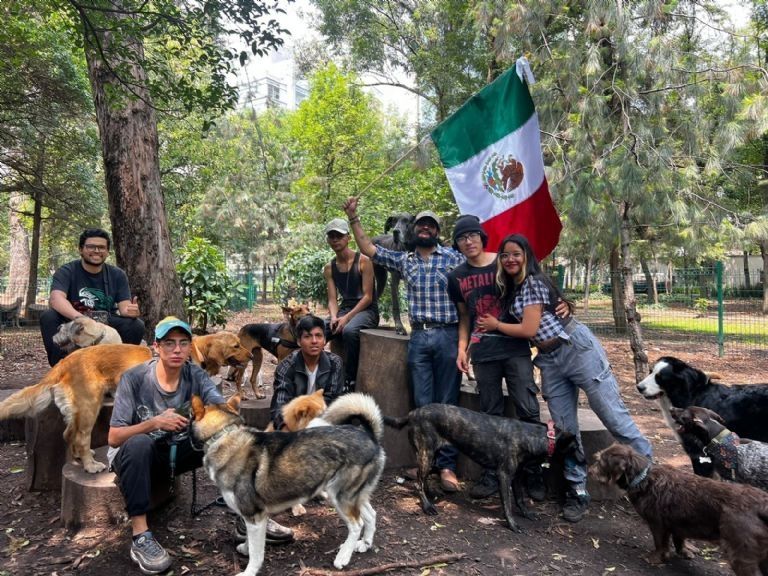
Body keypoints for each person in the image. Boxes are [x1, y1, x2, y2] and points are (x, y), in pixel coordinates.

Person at [478, 234, 653, 523]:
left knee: (612, 416)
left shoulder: (533, 282)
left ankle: (649, 476)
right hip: (549, 360)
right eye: (505, 255)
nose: (510, 259)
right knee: (564, 430)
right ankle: (577, 490)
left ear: (527, 256)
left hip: (576, 349)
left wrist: (496, 324)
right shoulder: (513, 289)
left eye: (516, 254)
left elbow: (528, 328)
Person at [108, 317, 293, 574]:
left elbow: (218, 408)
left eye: (183, 343)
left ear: (189, 347)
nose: (176, 349)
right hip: (138, 456)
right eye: (169, 343)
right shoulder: (134, 378)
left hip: (178, 450)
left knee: (224, 434)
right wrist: (155, 423)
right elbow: (114, 437)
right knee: (138, 444)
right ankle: (140, 535)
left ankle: (247, 515)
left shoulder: (194, 373)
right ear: (156, 347)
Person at [343, 197, 464, 492]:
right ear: (414, 231)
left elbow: (484, 266)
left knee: (448, 403)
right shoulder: (404, 260)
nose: (425, 228)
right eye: (421, 224)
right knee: (422, 404)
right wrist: (353, 218)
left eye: (430, 224)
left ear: (438, 231)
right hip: (419, 338)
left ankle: (447, 467)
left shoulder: (453, 258)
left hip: (448, 335)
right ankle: (425, 462)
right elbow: (368, 249)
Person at [447, 215, 545, 501]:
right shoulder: (456, 277)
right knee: (490, 414)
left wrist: (559, 302)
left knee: (528, 409)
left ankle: (533, 472)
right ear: (457, 244)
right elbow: (464, 316)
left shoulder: (503, 261)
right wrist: (462, 349)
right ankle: (493, 473)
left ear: (482, 237)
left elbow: (534, 284)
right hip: (484, 352)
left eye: (472, 235)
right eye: (462, 238)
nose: (468, 241)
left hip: (515, 348)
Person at [40, 228, 144, 366]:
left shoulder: (117, 274)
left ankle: (118, 367)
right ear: (80, 249)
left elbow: (124, 308)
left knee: (135, 325)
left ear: (107, 251)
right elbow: (56, 299)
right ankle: (61, 367)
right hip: (74, 321)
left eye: (101, 247)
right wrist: (81, 319)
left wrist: (131, 312)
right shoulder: (67, 271)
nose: (96, 250)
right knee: (49, 316)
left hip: (104, 321)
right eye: (91, 246)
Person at [323, 217, 379, 390]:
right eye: (331, 236)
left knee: (349, 331)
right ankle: (320, 373)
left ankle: (350, 379)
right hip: (344, 309)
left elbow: (368, 297)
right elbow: (332, 299)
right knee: (319, 329)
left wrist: (346, 318)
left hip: (367, 311)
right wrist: (334, 317)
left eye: (339, 236)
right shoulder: (329, 267)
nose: (335, 240)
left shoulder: (364, 261)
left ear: (348, 238)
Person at [270, 314, 346, 431]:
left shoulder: (335, 363)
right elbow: (280, 403)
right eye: (308, 336)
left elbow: (332, 401)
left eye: (318, 336)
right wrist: (284, 426)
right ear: (299, 342)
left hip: (324, 422)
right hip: (296, 421)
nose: (314, 341)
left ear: (325, 340)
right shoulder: (286, 366)